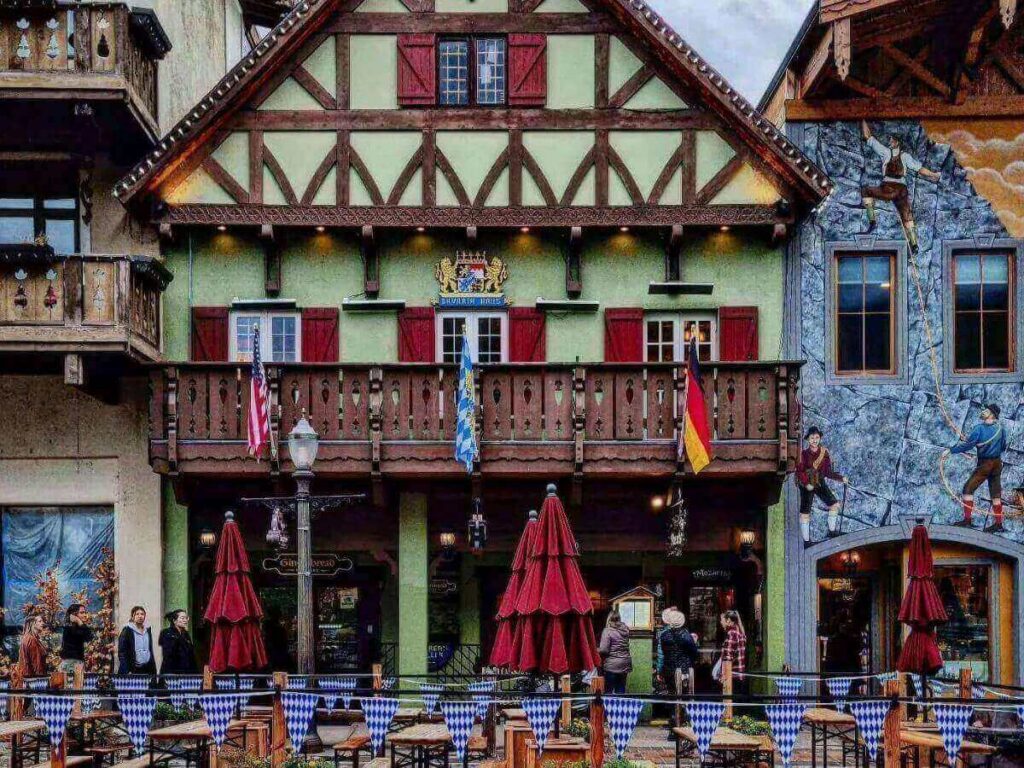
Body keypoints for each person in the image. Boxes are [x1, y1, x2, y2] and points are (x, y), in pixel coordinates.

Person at [860, 121, 941, 253]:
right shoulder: (906, 157)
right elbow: (920, 169)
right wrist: (934, 175)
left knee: (865, 191)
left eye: (891, 141)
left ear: (897, 142)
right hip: (901, 191)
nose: (889, 142)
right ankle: (914, 244)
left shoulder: (886, 153)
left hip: (888, 189)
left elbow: (868, 137)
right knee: (907, 215)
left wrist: (862, 119)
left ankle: (872, 222)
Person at [943, 404, 1008, 533]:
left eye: (986, 410)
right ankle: (999, 524)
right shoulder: (1001, 429)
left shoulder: (978, 429)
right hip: (997, 464)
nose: (983, 412)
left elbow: (968, 446)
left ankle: (967, 521)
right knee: (995, 494)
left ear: (992, 414)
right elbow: (1003, 447)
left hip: (985, 465)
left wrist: (951, 450)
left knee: (967, 489)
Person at [796, 426, 849, 543]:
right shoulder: (803, 454)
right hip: (807, 486)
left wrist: (841, 478)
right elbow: (799, 471)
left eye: (817, 437)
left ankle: (831, 531)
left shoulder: (824, 453)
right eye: (812, 438)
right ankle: (806, 541)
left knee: (834, 505)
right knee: (805, 513)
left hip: (819, 482)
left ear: (819, 438)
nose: (814, 440)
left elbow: (827, 472)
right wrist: (806, 483)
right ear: (808, 440)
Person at [658, 608, 699, 693]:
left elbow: (663, 652)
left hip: (668, 669)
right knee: (684, 694)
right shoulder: (686, 635)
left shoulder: (664, 635)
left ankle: (673, 706)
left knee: (671, 692)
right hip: (684, 670)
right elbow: (694, 653)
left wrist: (660, 670)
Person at [598, 610, 632, 695]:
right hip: (625, 663)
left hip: (612, 665)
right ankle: (620, 707)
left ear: (609, 619)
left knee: (608, 691)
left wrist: (595, 649)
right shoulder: (625, 629)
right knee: (620, 689)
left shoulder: (607, 631)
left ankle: (609, 708)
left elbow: (604, 650)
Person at [117, 606, 157, 676]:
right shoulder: (127, 630)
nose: (140, 616)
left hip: (146, 669)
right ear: (133, 617)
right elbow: (122, 653)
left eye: (142, 614)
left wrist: (153, 669)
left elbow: (149, 650)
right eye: (137, 614)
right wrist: (127, 670)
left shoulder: (147, 631)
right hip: (132, 669)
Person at [159, 610, 198, 676]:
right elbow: (168, 654)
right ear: (174, 621)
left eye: (186, 618)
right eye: (182, 618)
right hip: (171, 673)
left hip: (186, 672)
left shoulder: (186, 634)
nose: (185, 620)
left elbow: (191, 655)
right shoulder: (167, 633)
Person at [59, 603, 94, 675]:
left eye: (85, 612)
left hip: (75, 663)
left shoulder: (75, 627)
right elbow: (88, 636)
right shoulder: (70, 628)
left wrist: (79, 622)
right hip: (72, 664)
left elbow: (89, 637)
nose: (85, 615)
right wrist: (79, 621)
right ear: (74, 615)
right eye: (82, 612)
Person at [719, 611, 747, 694]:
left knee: (730, 703)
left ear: (728, 620)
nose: (721, 622)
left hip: (732, 676)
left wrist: (722, 675)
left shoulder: (731, 633)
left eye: (722, 620)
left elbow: (727, 657)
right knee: (737, 703)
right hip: (740, 675)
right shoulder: (740, 632)